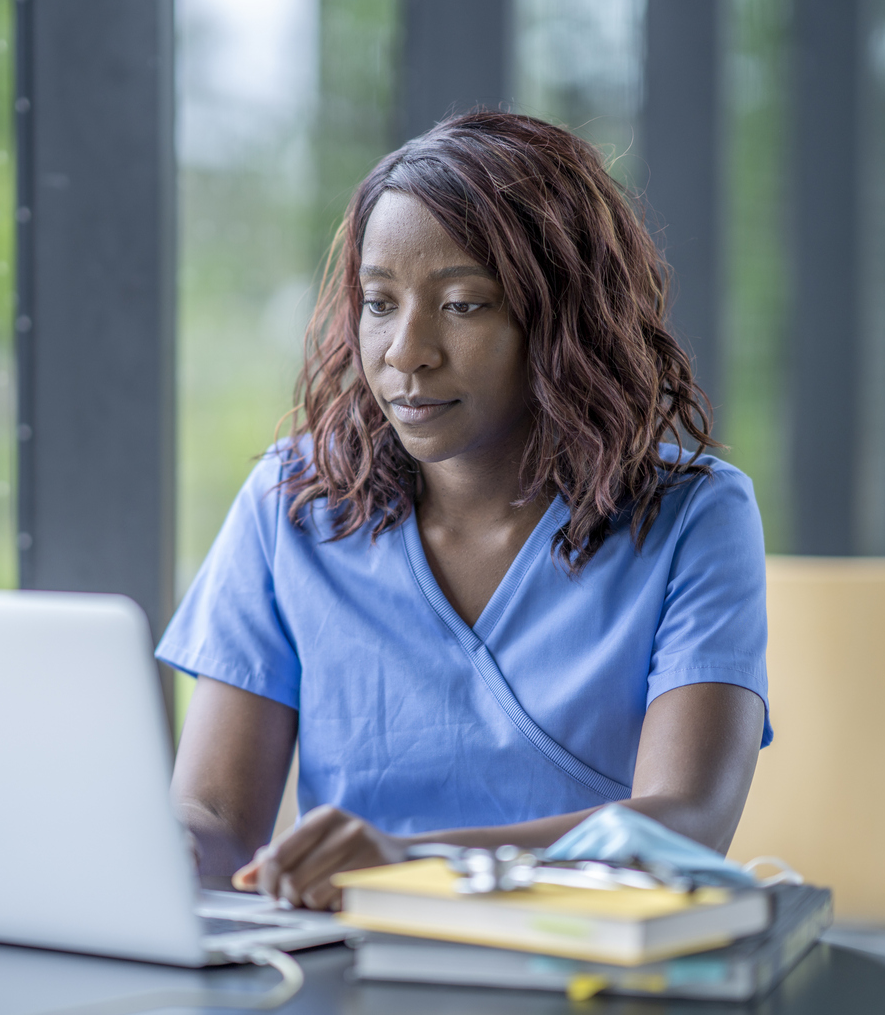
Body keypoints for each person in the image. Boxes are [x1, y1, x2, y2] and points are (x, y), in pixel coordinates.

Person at [157, 111, 769, 912]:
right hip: (353, 979)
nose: (407, 350)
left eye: (463, 305)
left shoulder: (695, 517)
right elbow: (219, 823)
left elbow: (681, 826)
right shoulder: (292, 506)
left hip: (587, 978)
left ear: (562, 319)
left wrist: (406, 864)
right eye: (379, 303)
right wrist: (146, 846)